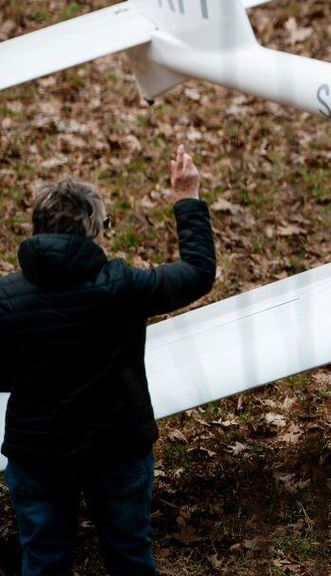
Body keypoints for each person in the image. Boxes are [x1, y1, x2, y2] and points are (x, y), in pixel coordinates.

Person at [0, 145, 215, 575]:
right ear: (94, 230)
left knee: (43, 560)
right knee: (129, 556)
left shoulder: (6, 299)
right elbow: (198, 272)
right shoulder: (124, 285)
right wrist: (187, 198)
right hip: (118, 450)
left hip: (37, 455)